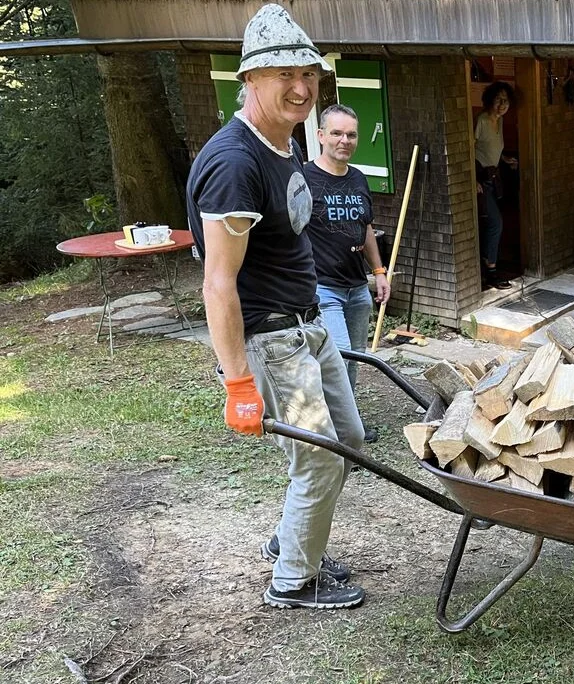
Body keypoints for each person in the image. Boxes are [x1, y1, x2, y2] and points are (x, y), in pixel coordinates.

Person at [185, 3, 365, 610]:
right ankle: (294, 581)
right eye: (283, 74)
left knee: (351, 443)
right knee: (320, 462)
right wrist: (238, 381)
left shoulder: (282, 143)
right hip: (272, 337)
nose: (300, 87)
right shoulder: (235, 163)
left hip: (308, 323)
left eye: (308, 75)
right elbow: (218, 283)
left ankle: (294, 538)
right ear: (249, 80)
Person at [305, 103, 390, 444]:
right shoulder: (304, 179)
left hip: (356, 286)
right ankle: (336, 434)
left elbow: (365, 227)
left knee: (353, 358)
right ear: (321, 135)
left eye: (351, 134)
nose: (345, 140)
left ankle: (348, 424)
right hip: (323, 287)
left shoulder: (357, 178)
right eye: (337, 133)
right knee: (336, 358)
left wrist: (379, 271)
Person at [475, 81, 519, 290]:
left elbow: (492, 148)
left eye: (506, 101)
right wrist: (472, 178)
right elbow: (469, 148)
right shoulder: (481, 120)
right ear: (490, 100)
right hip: (481, 179)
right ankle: (490, 271)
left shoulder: (499, 121)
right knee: (495, 223)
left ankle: (488, 268)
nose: (503, 104)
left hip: (494, 177)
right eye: (499, 100)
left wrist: (505, 159)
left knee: (494, 223)